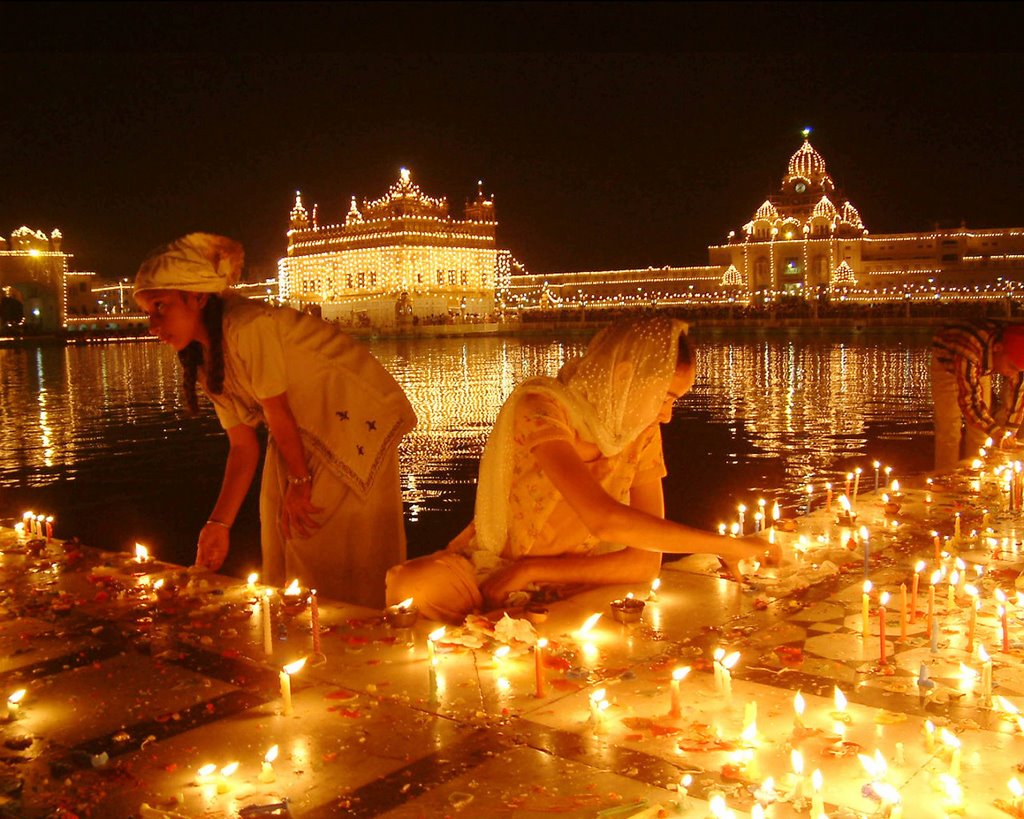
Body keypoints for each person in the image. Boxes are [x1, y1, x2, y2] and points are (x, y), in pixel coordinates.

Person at [386, 316, 778, 623]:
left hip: (581, 575)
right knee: (416, 585)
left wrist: (535, 570)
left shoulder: (641, 433)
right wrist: (729, 545)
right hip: (496, 569)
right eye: (666, 397)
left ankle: (514, 617)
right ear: (625, 377)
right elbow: (603, 519)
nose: (668, 415)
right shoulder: (543, 408)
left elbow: (643, 562)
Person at [134, 233, 417, 608]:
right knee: (280, 533)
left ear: (198, 296)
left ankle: (351, 639)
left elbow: (276, 410)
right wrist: (218, 526)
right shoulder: (204, 358)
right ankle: (304, 635)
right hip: (298, 433)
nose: (153, 324)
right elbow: (242, 445)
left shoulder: (248, 326)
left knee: (317, 540)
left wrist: (300, 482)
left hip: (348, 426)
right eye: (149, 312)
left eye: (160, 306)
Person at [932, 319, 1024, 472]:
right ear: (998, 348)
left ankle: (976, 475)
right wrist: (995, 431)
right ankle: (945, 478)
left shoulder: (1007, 355)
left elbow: (1019, 392)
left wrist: (1009, 431)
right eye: (1011, 367)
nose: (1012, 374)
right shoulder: (969, 352)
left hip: (982, 363)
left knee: (981, 432)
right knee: (949, 429)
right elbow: (969, 402)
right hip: (947, 365)